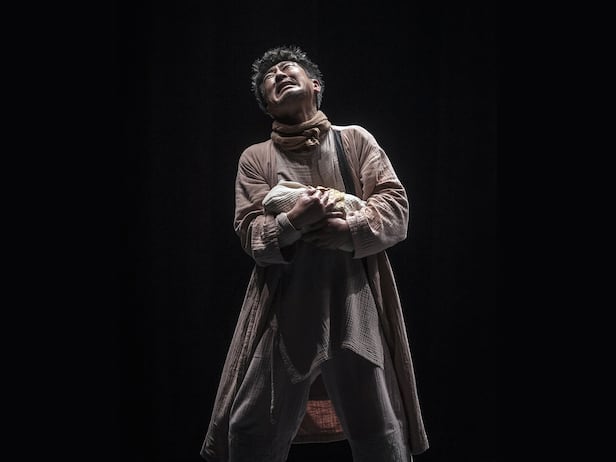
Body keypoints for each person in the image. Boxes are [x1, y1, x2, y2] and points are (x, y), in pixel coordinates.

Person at [201, 45, 429, 462]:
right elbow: (250, 232)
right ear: (267, 103)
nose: (279, 74)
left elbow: (395, 206)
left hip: (354, 301)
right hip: (285, 305)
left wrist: (348, 230)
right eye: (269, 77)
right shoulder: (256, 157)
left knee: (378, 429)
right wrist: (294, 220)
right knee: (249, 428)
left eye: (289, 68)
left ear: (315, 85)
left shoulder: (354, 139)